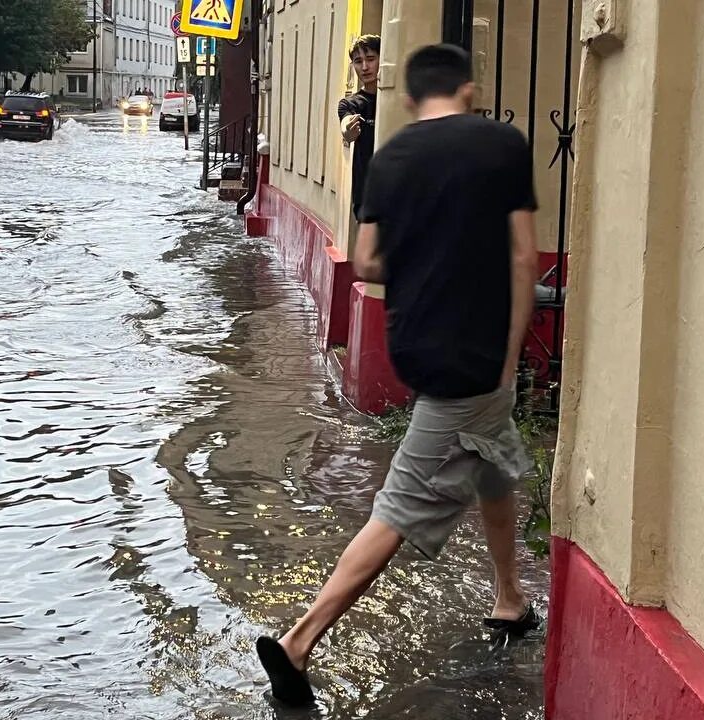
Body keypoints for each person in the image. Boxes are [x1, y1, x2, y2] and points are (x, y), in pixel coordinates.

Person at [256, 43, 540, 707]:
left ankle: (508, 598)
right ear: (467, 89)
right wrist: (509, 349)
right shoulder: (503, 146)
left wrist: (424, 258)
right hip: (474, 357)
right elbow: (525, 258)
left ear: (411, 97)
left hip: (417, 345)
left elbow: (368, 262)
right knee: (402, 502)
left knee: (493, 460)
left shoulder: (388, 156)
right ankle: (299, 643)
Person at [337, 35, 380, 221]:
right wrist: (348, 131)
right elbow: (346, 123)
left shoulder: (398, 98)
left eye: (370, 59)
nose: (364, 67)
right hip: (367, 196)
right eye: (358, 61)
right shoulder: (351, 103)